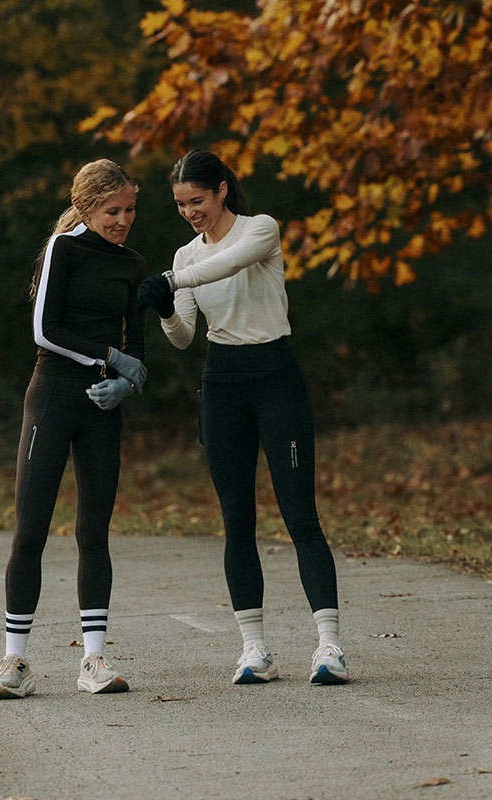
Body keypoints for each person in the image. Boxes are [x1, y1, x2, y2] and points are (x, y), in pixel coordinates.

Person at [135, 149, 350, 685]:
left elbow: (226, 264)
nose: (190, 212)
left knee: (300, 517)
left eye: (198, 200)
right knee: (237, 522)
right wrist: (165, 306)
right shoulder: (185, 258)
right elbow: (184, 337)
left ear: (222, 190)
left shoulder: (261, 230)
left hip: (275, 376)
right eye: (181, 204)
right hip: (223, 382)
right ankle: (255, 650)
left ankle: (329, 648)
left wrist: (172, 282)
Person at [0, 159, 148, 700]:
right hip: (53, 395)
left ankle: (94, 660)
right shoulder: (65, 249)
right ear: (85, 208)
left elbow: (138, 346)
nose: (123, 220)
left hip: (102, 405)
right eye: (112, 211)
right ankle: (14, 663)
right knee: (30, 530)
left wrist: (128, 379)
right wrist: (108, 357)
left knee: (93, 533)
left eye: (129, 209)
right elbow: (44, 328)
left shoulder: (132, 264)